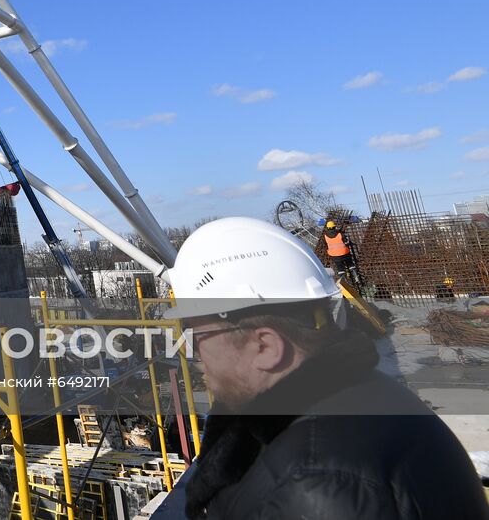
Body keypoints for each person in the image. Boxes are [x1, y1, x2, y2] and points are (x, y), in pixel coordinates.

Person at [165, 217, 488, 519]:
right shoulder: (364, 395)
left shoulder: (313, 483)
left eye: (197, 336)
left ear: (265, 346)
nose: (193, 353)